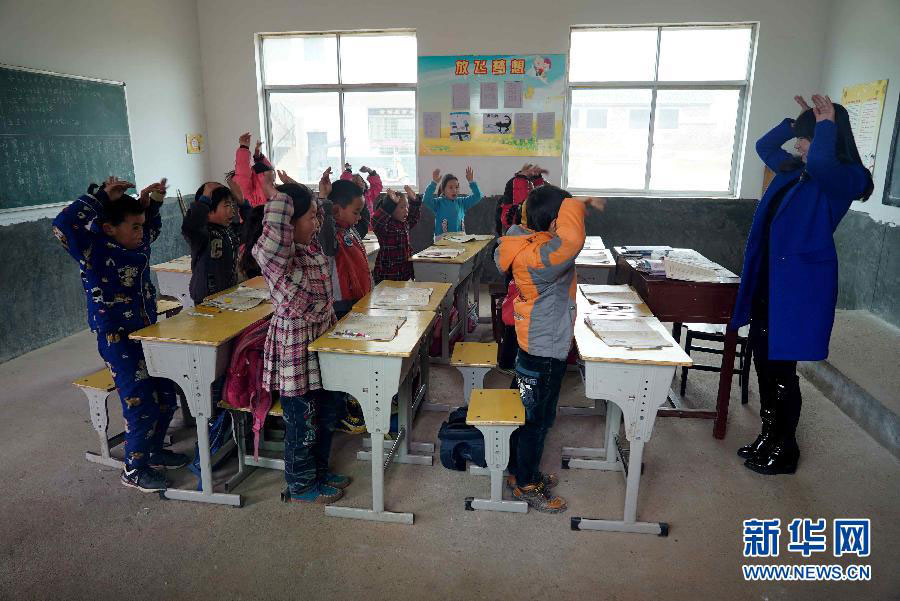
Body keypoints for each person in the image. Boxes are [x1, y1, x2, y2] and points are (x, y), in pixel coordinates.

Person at [731, 94, 873, 476]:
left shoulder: (843, 179)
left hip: (796, 289)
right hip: (768, 281)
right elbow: (764, 146)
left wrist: (824, 125)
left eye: (804, 139)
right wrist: (795, 124)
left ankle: (786, 447)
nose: (798, 146)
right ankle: (767, 435)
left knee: (781, 367)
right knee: (763, 359)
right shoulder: (796, 171)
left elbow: (826, 161)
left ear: (828, 137)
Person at [53, 176, 188, 492]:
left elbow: (150, 228)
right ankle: (135, 469)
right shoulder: (93, 250)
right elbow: (62, 226)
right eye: (134, 227)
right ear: (110, 227)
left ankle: (152, 451)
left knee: (166, 396)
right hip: (117, 338)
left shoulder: (137, 244)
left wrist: (151, 202)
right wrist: (100, 197)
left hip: (146, 332)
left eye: (141, 227)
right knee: (140, 403)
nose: (142, 233)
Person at [495, 185, 605, 512]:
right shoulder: (539, 256)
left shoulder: (529, 242)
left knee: (527, 411)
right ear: (555, 221)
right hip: (544, 351)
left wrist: (569, 206)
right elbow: (571, 242)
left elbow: (565, 241)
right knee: (537, 420)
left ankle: (518, 472)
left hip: (537, 344)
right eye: (564, 216)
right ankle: (526, 483)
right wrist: (574, 205)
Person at [251, 176, 351, 503]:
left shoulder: (309, 247)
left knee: (325, 416)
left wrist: (315, 200)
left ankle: (320, 472)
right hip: (295, 353)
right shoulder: (277, 259)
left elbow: (318, 221)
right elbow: (271, 241)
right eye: (309, 217)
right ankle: (301, 483)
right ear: (287, 225)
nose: (316, 222)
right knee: (303, 424)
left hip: (320, 345)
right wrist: (278, 198)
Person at [182, 175, 251, 305]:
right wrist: (204, 200)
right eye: (226, 205)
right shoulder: (202, 234)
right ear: (209, 211)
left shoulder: (230, 231)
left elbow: (252, 227)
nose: (232, 210)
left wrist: (243, 203)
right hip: (206, 300)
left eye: (233, 204)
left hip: (228, 295)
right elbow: (191, 226)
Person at [372, 186, 422, 283]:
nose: (406, 210)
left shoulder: (404, 224)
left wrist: (415, 201)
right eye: (402, 207)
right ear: (392, 209)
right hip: (388, 275)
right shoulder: (385, 226)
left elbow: (413, 217)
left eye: (407, 207)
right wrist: (390, 203)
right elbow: (376, 220)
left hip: (404, 273)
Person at [422, 167, 482, 237]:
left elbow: (478, 196)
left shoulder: (462, 202)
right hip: (442, 242)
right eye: (450, 187)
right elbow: (426, 199)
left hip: (460, 240)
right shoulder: (438, 203)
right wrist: (434, 183)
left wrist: (471, 182)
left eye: (456, 187)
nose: (454, 190)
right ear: (443, 190)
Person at [233, 132, 275, 206]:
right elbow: (243, 172)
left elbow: (270, 169)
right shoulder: (251, 196)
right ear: (264, 175)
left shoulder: (274, 191)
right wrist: (244, 147)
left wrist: (257, 154)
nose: (273, 180)